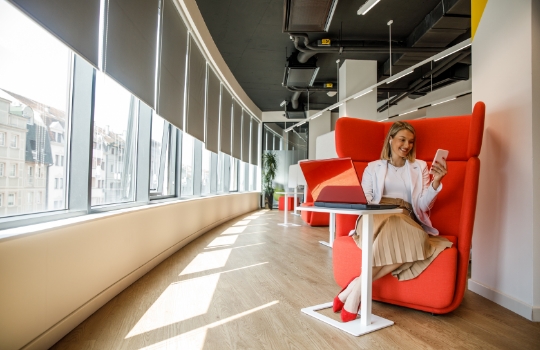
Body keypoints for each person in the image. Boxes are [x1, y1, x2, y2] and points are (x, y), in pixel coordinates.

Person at [333, 121, 452, 322]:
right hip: (375, 215)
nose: (407, 145)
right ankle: (353, 295)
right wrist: (383, 211)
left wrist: (436, 183)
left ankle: (354, 290)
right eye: (402, 139)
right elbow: (366, 199)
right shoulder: (373, 167)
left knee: (415, 239)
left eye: (411, 142)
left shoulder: (420, 167)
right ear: (390, 140)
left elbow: (422, 206)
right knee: (396, 230)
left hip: (405, 217)